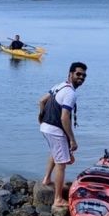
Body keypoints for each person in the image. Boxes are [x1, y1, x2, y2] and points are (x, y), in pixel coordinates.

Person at [38, 62, 87, 207]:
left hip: (46, 127)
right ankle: (58, 199)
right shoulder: (70, 93)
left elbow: (41, 100)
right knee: (62, 164)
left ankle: (47, 179)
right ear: (70, 74)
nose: (81, 77)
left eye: (84, 75)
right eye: (78, 74)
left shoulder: (59, 86)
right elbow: (64, 117)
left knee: (55, 152)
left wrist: (41, 117)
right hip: (55, 129)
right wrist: (72, 140)